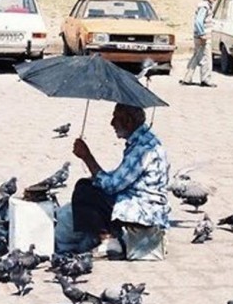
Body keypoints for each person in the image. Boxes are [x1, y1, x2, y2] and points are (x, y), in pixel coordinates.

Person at [69, 104, 170, 257]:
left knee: (85, 190)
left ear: (128, 121)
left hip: (143, 209)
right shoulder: (146, 140)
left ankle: (109, 240)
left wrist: (87, 157)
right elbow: (125, 177)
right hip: (149, 203)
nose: (112, 123)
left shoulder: (142, 148)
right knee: (91, 184)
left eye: (116, 118)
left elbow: (111, 185)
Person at [180, 0, 218, 88]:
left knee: (197, 56)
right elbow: (198, 21)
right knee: (206, 58)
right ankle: (206, 79)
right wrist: (202, 34)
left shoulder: (205, 5)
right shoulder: (204, 6)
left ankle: (187, 78)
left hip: (200, 35)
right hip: (203, 36)